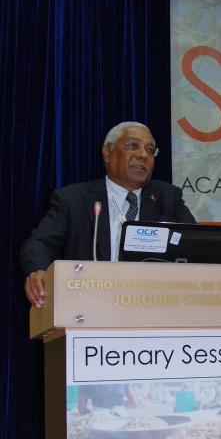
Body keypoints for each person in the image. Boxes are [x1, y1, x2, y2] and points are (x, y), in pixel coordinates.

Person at [21, 121, 195, 308]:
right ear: (107, 152)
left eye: (150, 150)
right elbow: (40, 243)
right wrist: (38, 271)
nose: (143, 155)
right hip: (90, 304)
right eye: (133, 146)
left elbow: (197, 243)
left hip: (154, 305)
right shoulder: (74, 199)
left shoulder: (167, 198)